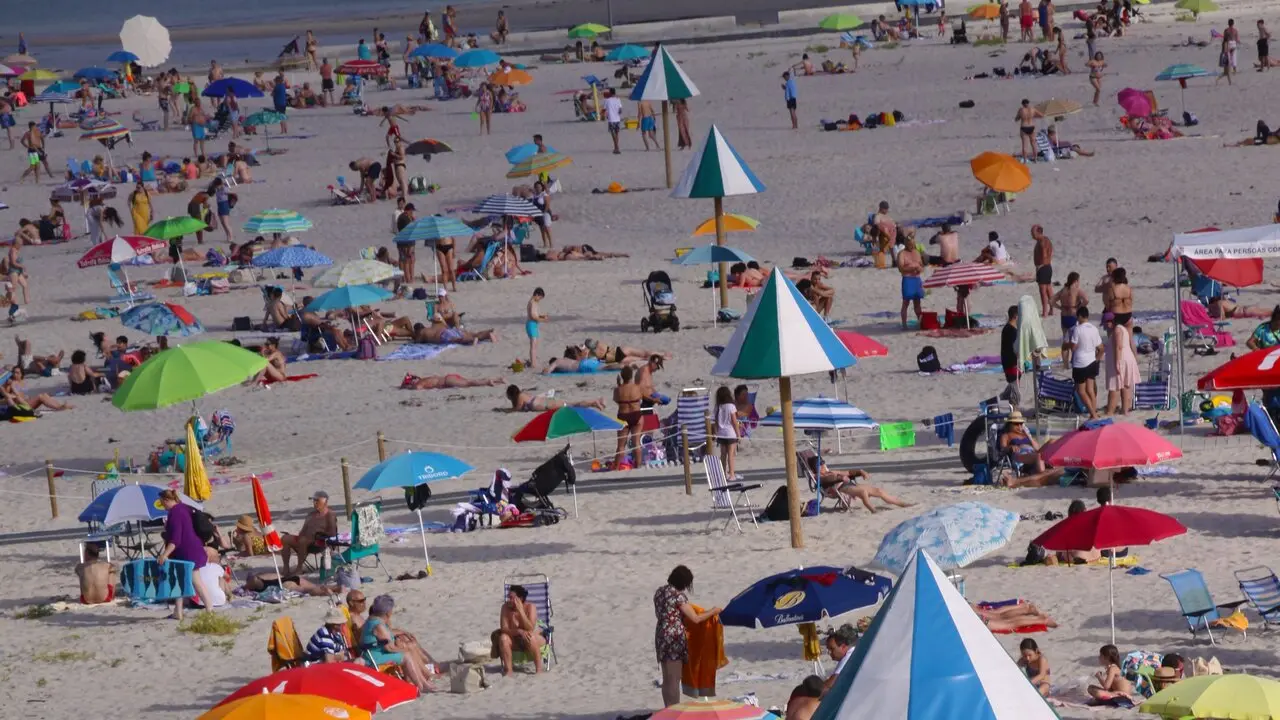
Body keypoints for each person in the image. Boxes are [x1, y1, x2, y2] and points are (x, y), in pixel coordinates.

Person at [655, 566, 721, 707]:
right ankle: (673, 710)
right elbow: (695, 618)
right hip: (674, 639)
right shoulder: (678, 596)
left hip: (661, 636)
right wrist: (713, 611)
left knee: (667, 679)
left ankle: (668, 709)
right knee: (674, 679)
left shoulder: (660, 592)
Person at [361, 595, 436, 692]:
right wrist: (405, 649)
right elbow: (389, 648)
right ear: (388, 612)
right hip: (374, 657)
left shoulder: (373, 620)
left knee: (407, 652)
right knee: (406, 656)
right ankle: (421, 685)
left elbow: (387, 635)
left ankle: (423, 683)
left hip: (372, 653)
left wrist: (402, 636)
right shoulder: (379, 625)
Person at [156, 489, 214, 612]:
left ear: (167, 500)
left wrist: (164, 555)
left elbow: (175, 539)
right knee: (179, 581)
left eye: (162, 503)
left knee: (195, 581)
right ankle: (178, 611)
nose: (163, 506)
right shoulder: (183, 508)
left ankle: (210, 608)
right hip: (191, 549)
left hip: (188, 552)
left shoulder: (175, 512)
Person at [808, 457, 913, 512]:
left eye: (822, 463)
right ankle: (874, 511)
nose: (822, 466)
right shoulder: (817, 476)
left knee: (879, 491)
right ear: (815, 467)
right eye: (819, 465)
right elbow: (828, 479)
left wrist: (859, 471)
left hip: (850, 485)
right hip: (840, 488)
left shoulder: (830, 471)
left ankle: (902, 504)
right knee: (863, 492)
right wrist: (839, 477)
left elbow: (848, 473)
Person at [278, 490, 338, 575]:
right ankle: (286, 569)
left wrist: (319, 534)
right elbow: (303, 530)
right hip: (304, 539)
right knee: (285, 538)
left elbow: (332, 533)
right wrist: (300, 535)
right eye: (314, 501)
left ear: (325, 502)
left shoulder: (330, 515)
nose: (314, 503)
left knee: (303, 540)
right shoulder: (311, 514)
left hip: (319, 542)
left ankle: (299, 569)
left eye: (317, 501)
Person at [493, 584, 544, 675]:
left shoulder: (530, 607)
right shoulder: (505, 608)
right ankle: (509, 670)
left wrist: (521, 611)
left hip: (533, 640)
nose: (509, 600)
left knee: (529, 636)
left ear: (520, 599)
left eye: (512, 598)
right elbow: (504, 629)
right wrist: (519, 631)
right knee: (503, 638)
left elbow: (530, 628)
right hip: (515, 640)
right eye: (509, 597)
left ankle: (539, 670)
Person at [1064, 307, 1104, 419]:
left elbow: (1073, 347)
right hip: (1092, 362)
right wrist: (1097, 359)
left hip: (1080, 363)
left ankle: (1093, 413)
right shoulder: (1094, 329)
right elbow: (1101, 348)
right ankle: (1094, 412)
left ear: (1080, 316)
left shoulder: (1078, 329)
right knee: (1090, 389)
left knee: (1081, 391)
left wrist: (1067, 345)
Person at [1102, 313, 1139, 415]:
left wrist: (1117, 362)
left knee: (1115, 386)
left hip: (1121, 360)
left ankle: (1110, 411)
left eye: (1106, 323)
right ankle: (1125, 410)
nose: (1106, 326)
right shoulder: (1122, 329)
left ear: (1111, 321)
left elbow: (1119, 347)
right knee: (1125, 385)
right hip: (1127, 359)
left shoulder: (1118, 330)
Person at [2, 366, 71, 412]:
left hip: (27, 402)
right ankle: (59, 408)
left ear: (21, 374)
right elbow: (6, 396)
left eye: (17, 373)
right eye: (14, 372)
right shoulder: (11, 383)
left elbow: (24, 394)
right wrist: (11, 385)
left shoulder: (22, 382)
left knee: (44, 395)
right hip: (21, 405)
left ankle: (60, 406)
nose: (15, 374)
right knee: (40, 396)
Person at [614, 366, 644, 469]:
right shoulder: (636, 387)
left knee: (621, 445)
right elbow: (640, 397)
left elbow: (617, 400)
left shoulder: (617, 389)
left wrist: (619, 385)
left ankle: (617, 467)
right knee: (636, 443)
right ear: (631, 376)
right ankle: (638, 466)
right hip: (635, 414)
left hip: (623, 416)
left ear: (622, 376)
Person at [506, 384, 606, 412]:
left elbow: (517, 409)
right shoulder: (523, 393)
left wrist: (504, 410)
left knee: (572, 405)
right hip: (547, 402)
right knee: (572, 404)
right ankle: (594, 402)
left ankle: (594, 403)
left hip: (546, 405)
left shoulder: (520, 397)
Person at [714, 385, 741, 479]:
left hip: (721, 434)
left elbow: (716, 422)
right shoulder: (731, 406)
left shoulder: (718, 407)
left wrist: (716, 433)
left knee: (723, 455)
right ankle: (732, 474)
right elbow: (734, 421)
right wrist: (738, 435)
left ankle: (723, 474)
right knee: (731, 455)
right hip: (730, 433)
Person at [822, 624, 858, 692]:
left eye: (832, 649)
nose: (829, 653)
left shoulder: (849, 655)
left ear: (843, 647)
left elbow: (830, 684)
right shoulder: (856, 650)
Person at [898, 238, 924, 330]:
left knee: (917, 303)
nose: (912, 246)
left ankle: (920, 322)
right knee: (906, 303)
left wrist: (919, 268)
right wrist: (912, 268)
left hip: (917, 279)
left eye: (913, 244)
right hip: (908, 279)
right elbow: (901, 268)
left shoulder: (916, 252)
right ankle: (904, 324)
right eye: (910, 244)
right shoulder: (902, 253)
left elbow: (922, 266)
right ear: (906, 244)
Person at [1053, 271, 1088, 338]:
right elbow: (1086, 300)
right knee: (1075, 338)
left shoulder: (1063, 290)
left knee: (1065, 338)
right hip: (1073, 316)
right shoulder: (1077, 290)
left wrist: (1060, 307)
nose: (1079, 283)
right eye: (1078, 281)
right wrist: (1079, 307)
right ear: (1075, 281)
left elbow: (1051, 301)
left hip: (1064, 316)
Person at [1000, 305, 1022, 408]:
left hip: (1008, 362)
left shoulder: (1007, 329)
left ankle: (1002, 399)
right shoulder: (1012, 331)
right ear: (1016, 316)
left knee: (1012, 386)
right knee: (1016, 394)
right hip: (1011, 363)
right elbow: (1015, 349)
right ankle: (1015, 412)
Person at [1032, 225, 1053, 316]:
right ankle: (1052, 309)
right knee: (1048, 289)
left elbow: (1044, 254)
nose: (1031, 234)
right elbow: (1051, 252)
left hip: (1043, 268)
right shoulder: (1046, 240)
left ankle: (1045, 311)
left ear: (1038, 232)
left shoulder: (1042, 242)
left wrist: (1040, 266)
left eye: (1033, 232)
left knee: (1043, 290)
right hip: (1047, 267)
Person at [526, 287, 547, 368]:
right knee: (533, 345)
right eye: (540, 298)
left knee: (535, 345)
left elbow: (535, 315)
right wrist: (542, 320)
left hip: (534, 325)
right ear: (536, 295)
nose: (540, 300)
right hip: (531, 324)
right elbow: (532, 316)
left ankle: (534, 361)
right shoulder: (532, 302)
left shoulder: (534, 302)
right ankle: (533, 363)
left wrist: (542, 316)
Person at [603, 89, 624, 154]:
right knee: (617, 134)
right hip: (617, 119)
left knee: (613, 134)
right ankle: (616, 148)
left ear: (610, 93)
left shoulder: (607, 100)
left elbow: (604, 110)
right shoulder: (618, 100)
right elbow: (620, 111)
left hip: (611, 119)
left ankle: (617, 148)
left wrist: (605, 116)